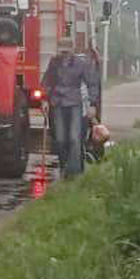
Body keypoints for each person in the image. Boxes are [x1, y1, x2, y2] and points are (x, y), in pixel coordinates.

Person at [42, 37, 101, 179]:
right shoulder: (54, 63)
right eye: (62, 52)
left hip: (75, 103)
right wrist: (44, 100)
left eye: (66, 52)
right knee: (61, 139)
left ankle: (74, 173)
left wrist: (93, 105)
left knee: (75, 138)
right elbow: (47, 82)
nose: (64, 55)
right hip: (57, 103)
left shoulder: (81, 64)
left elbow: (92, 84)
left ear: (72, 50)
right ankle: (64, 167)